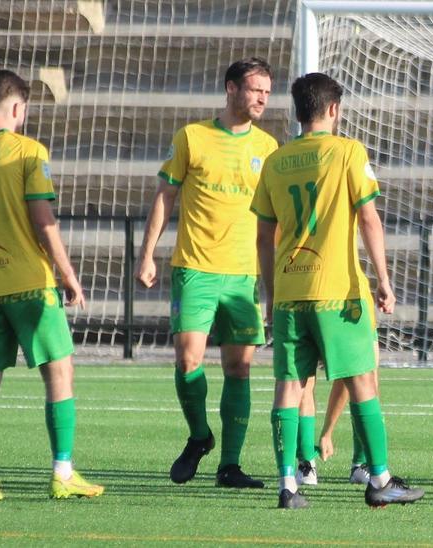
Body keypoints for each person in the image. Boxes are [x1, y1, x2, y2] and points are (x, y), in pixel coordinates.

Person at [253, 72, 425, 509]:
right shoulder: (348, 151)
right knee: (362, 379)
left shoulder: (276, 160)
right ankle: (381, 478)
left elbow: (262, 237)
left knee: (289, 386)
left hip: (291, 291)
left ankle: (288, 484)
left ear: (297, 111)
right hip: (336, 290)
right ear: (334, 109)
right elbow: (369, 219)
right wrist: (384, 280)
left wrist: (271, 296)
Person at [0, 69, 102, 501]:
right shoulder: (28, 151)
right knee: (59, 373)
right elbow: (43, 220)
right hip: (29, 284)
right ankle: (62, 472)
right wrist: (67, 275)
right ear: (16, 108)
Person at [137, 58, 279, 488]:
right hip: (195, 267)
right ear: (231, 88)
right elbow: (165, 197)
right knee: (188, 360)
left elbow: (272, 220)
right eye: (255, 89)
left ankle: (230, 466)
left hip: (242, 275)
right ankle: (200, 436)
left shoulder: (268, 148)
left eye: (267, 92)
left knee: (239, 368)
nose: (261, 99)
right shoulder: (192, 138)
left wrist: (274, 285)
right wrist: (147, 254)